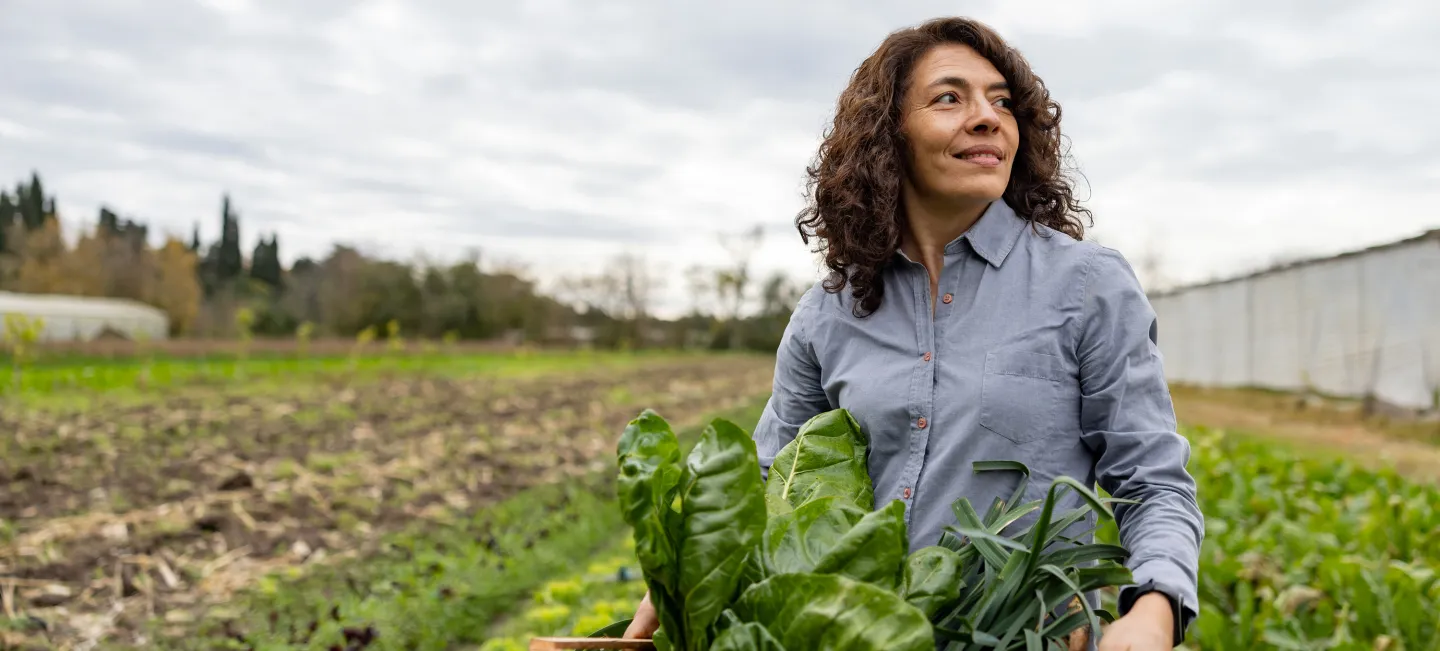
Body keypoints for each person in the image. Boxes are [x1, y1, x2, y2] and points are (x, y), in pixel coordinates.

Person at [625, 16, 1202, 651]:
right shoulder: (829, 314)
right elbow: (769, 480)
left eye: (1002, 101)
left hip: (1031, 636)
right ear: (886, 136)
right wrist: (682, 583)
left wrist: (1155, 610)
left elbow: (1151, 477)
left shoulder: (1088, 284)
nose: (987, 117)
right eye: (949, 97)